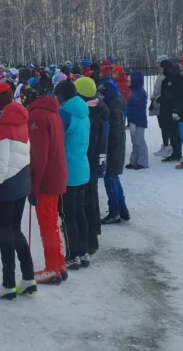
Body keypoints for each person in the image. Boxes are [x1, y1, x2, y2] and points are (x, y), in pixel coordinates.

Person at [0, 82, 35, 300]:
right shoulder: (20, 116)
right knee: (16, 230)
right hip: (22, 181)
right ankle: (28, 278)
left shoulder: (0, 124)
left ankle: (8, 284)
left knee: (5, 234)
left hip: (5, 185)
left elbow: (0, 162)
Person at [21, 86, 70, 284]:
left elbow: (38, 155)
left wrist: (33, 187)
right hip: (56, 173)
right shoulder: (52, 113)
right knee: (52, 221)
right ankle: (58, 264)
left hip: (47, 178)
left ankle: (52, 268)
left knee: (47, 223)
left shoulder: (37, 117)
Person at [53, 80, 92, 269]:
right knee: (80, 212)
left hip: (68, 169)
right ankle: (84, 252)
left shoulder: (64, 115)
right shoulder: (84, 112)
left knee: (68, 214)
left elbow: (57, 140)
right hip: (83, 167)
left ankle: (72, 254)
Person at [77, 76, 109, 246]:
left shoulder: (91, 114)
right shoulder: (97, 108)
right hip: (95, 161)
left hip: (89, 162)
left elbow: (91, 142)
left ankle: (90, 238)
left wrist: (85, 161)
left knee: (87, 199)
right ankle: (94, 229)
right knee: (92, 196)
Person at [98, 78, 130, 223]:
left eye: (102, 94)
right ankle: (122, 209)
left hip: (113, 149)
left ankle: (115, 211)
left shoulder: (113, 109)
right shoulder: (113, 104)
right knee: (114, 178)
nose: (100, 96)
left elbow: (115, 133)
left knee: (110, 178)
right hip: (115, 148)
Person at [158, 59, 181, 163]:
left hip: (170, 109)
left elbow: (170, 96)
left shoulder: (172, 79)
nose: (159, 68)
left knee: (174, 133)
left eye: (161, 67)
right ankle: (174, 152)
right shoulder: (168, 78)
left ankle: (176, 153)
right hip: (167, 109)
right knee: (172, 132)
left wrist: (159, 99)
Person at [126, 71, 149, 170]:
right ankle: (134, 161)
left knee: (139, 142)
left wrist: (134, 122)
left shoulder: (139, 93)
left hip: (138, 122)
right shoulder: (135, 92)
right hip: (134, 121)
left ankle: (143, 162)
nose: (127, 82)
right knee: (135, 142)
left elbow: (137, 110)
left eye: (129, 80)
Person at [151, 55, 168, 157]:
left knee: (165, 126)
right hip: (157, 102)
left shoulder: (165, 75)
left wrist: (157, 97)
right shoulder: (160, 74)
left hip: (162, 103)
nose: (156, 64)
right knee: (162, 126)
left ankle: (167, 145)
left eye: (158, 62)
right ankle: (165, 144)